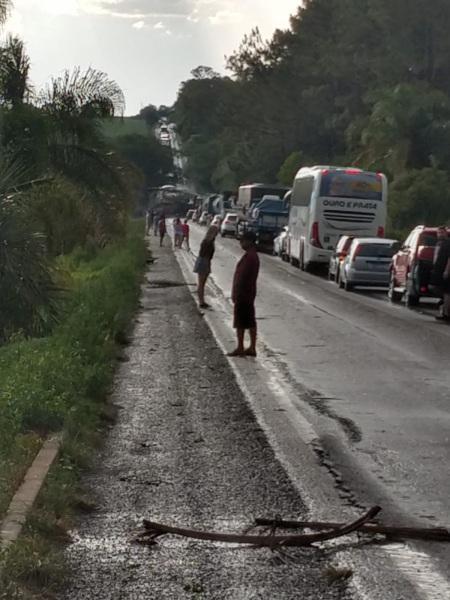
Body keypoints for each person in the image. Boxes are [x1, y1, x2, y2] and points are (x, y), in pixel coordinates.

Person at [228, 230, 260, 357]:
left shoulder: (250, 257)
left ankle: (241, 347)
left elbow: (242, 277)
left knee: (240, 322)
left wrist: (236, 292)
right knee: (250, 321)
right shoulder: (251, 255)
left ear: (249, 241)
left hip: (244, 294)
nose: (241, 243)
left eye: (242, 241)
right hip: (248, 293)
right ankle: (251, 347)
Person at [194, 225, 218, 309]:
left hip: (204, 261)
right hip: (204, 261)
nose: (217, 234)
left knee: (202, 283)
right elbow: (206, 255)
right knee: (201, 283)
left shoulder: (207, 241)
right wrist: (208, 265)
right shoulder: (208, 242)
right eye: (216, 232)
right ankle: (201, 302)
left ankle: (202, 301)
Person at [431, 226, 450, 321]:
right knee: (438, 289)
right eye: (439, 233)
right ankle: (444, 308)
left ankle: (446, 314)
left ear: (446, 233)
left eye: (442, 232)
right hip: (438, 271)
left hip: (445, 271)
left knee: (447, 292)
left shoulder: (448, 243)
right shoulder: (439, 243)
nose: (440, 234)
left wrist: (447, 270)